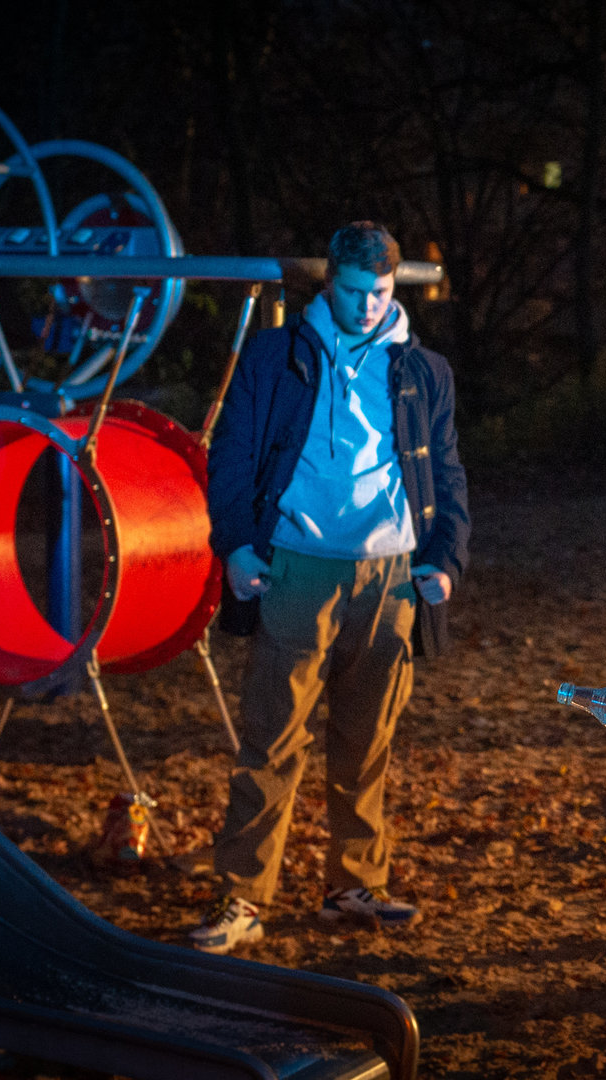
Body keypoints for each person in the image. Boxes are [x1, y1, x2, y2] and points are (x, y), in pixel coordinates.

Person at [188, 221, 470, 954]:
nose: (368, 305)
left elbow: (445, 466)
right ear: (329, 285)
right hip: (296, 567)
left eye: (380, 292)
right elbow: (235, 452)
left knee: (366, 742)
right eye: (353, 291)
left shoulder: (423, 369)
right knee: (272, 738)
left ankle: (354, 884)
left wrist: (447, 556)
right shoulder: (276, 356)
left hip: (390, 575)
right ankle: (244, 896)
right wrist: (238, 544)